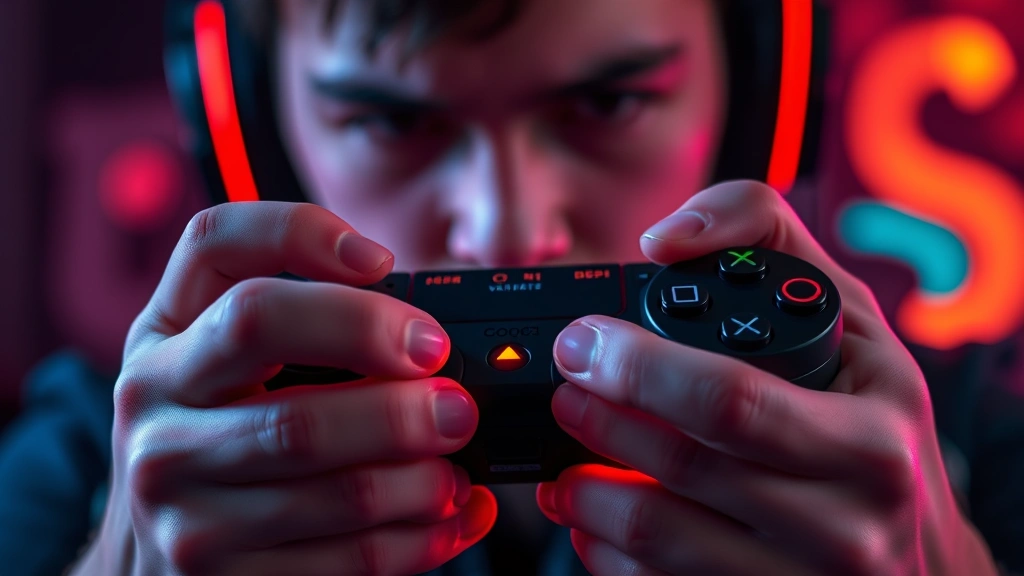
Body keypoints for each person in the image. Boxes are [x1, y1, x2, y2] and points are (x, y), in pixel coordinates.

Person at [1, 0, 1022, 574]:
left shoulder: (972, 443)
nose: (506, 229)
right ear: (250, 127)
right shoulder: (92, 460)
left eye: (609, 102)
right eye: (393, 124)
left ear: (763, 92)